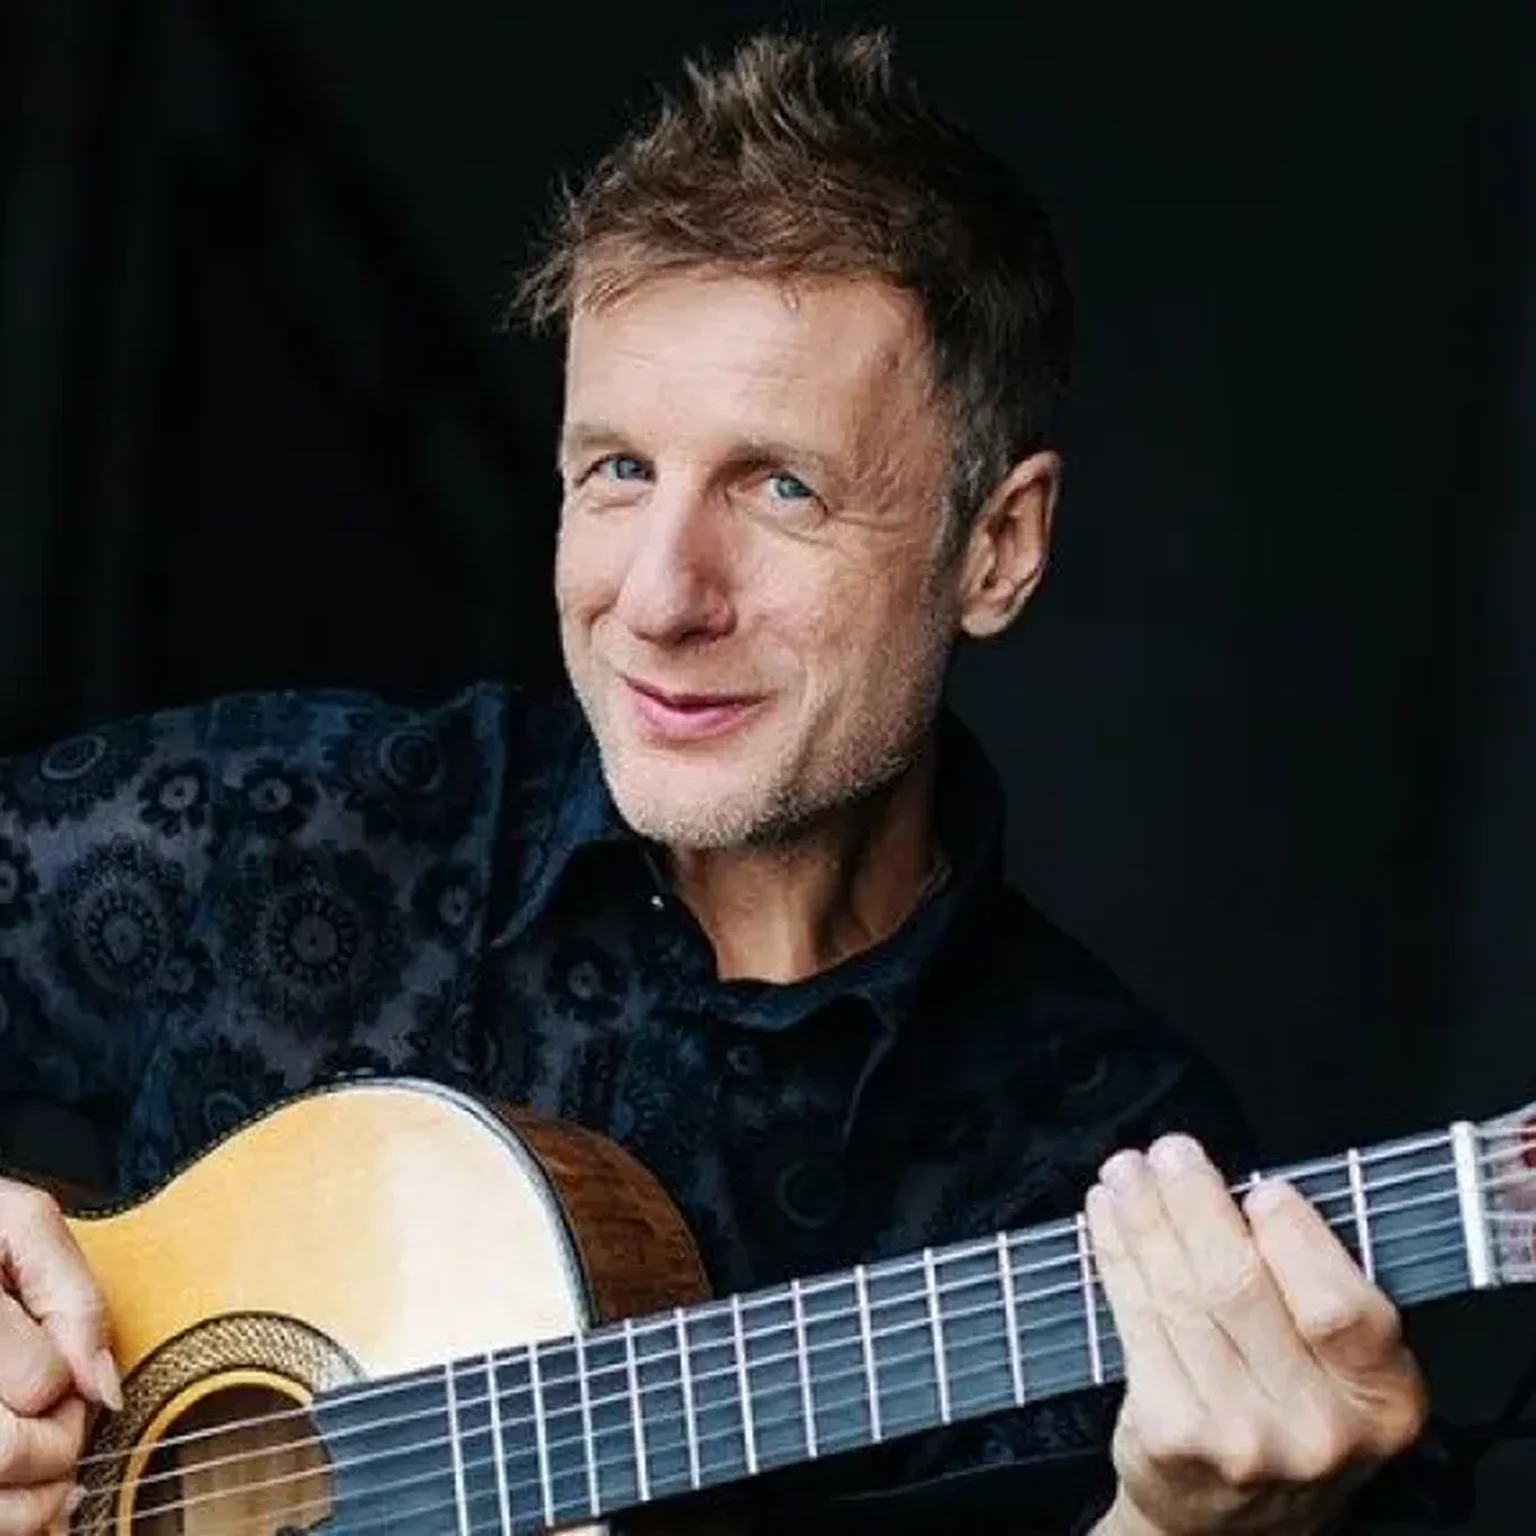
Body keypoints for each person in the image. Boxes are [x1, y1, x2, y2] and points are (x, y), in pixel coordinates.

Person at [0, 28, 1434, 1536]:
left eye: (781, 487)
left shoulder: (1116, 1177)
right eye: (618, 470)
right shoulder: (301, 821)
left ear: (997, 548)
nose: (660, 597)